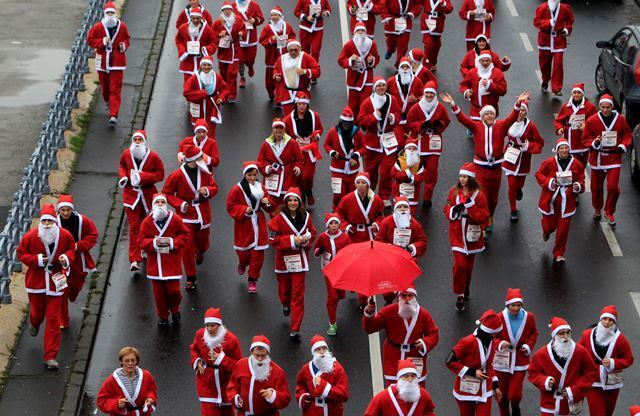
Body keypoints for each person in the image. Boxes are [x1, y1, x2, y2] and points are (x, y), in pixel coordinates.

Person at [441, 92, 528, 230]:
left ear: (494, 115)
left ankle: (490, 215)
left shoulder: (501, 126)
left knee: (494, 196)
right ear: (482, 117)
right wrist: (452, 104)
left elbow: (512, 118)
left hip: (496, 166)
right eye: (486, 114)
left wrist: (518, 103)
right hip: (481, 167)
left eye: (491, 114)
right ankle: (484, 222)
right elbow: (462, 119)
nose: (489, 116)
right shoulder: (476, 127)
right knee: (483, 194)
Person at [17, 204, 75, 370]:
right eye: (45, 221)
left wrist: (66, 258)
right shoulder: (31, 237)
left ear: (55, 221)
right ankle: (34, 323)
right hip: (37, 282)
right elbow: (21, 253)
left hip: (56, 282)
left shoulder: (64, 235)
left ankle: (50, 356)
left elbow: (72, 249)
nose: (48, 224)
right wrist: (36, 260)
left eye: (50, 221)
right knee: (37, 312)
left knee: (53, 320)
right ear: (41, 222)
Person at [163, 145, 218, 290]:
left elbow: (214, 187)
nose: (202, 159)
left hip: (203, 212)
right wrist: (180, 204)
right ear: (192, 160)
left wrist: (207, 190)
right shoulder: (176, 175)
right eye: (200, 157)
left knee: (203, 243)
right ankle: (191, 277)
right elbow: (166, 193)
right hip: (185, 216)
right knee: (186, 248)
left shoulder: (205, 172)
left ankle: (200, 252)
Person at [363, 286, 440, 387]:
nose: (407, 299)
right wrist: (369, 312)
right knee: (393, 393)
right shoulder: (388, 311)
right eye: (404, 296)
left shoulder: (423, 315)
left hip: (414, 357)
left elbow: (433, 334)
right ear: (398, 297)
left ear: (415, 297)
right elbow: (370, 328)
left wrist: (424, 343)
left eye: (410, 296)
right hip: (393, 357)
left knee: (417, 391)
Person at [268, 187, 317, 340]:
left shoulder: (307, 217)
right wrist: (292, 240)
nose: (293, 203)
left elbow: (313, 232)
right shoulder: (277, 219)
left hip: (300, 261)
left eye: (295, 200)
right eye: (290, 200)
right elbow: (272, 240)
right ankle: (285, 304)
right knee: (284, 291)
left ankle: (295, 327)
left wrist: (306, 240)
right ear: (286, 202)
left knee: (298, 294)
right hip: (283, 261)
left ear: (299, 202)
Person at [528, 317, 599, 416]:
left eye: (568, 333)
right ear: (554, 335)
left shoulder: (580, 351)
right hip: (549, 402)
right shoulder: (542, 354)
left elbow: (591, 372)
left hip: (570, 403)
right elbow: (533, 373)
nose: (566, 337)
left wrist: (575, 389)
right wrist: (545, 381)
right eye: (561, 333)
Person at [442, 163, 489, 311]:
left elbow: (484, 217)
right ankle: (460, 294)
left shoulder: (479, 196)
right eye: (461, 176)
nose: (462, 179)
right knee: (460, 265)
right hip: (456, 234)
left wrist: (471, 207)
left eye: (465, 177)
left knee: (468, 268)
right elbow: (447, 207)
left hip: (472, 236)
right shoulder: (454, 192)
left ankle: (466, 286)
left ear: (471, 178)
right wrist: (452, 210)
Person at [581, 94, 633, 226]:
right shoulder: (592, 120)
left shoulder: (620, 119)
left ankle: (609, 211)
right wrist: (594, 143)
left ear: (612, 106)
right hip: (598, 158)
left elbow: (627, 134)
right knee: (596, 188)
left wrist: (623, 145)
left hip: (614, 158)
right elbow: (585, 138)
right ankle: (597, 209)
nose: (605, 110)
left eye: (608, 107)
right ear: (600, 107)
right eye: (603, 107)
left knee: (613, 187)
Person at [138, 194, 189, 325]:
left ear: (166, 204)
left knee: (174, 291)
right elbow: (141, 241)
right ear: (153, 205)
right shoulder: (146, 222)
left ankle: (175, 309)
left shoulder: (175, 219)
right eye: (157, 202)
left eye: (162, 202)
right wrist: (154, 243)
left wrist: (172, 242)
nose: (160, 204)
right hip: (156, 266)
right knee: (159, 295)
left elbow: (184, 234)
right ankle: (163, 316)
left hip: (172, 263)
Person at [118, 130, 165, 272]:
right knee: (134, 227)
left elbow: (160, 175)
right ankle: (134, 259)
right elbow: (122, 167)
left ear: (144, 141)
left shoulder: (153, 157)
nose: (137, 142)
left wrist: (143, 177)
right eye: (135, 139)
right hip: (131, 197)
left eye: (140, 140)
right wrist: (123, 177)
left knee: (148, 225)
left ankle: (145, 248)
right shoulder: (126, 154)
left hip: (148, 195)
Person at [226, 161, 276, 293]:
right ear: (245, 175)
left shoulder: (261, 188)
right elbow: (230, 205)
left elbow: (269, 206)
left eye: (255, 175)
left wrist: (267, 202)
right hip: (244, 224)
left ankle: (252, 279)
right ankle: (242, 262)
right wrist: (243, 209)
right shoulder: (237, 189)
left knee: (258, 254)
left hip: (258, 222)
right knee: (243, 252)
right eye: (249, 175)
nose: (253, 178)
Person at [535, 138, 585, 264]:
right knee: (549, 225)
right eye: (561, 148)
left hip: (567, 202)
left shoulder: (576, 164)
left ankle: (559, 253)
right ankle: (546, 231)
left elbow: (581, 179)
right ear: (557, 151)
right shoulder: (549, 162)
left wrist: (578, 186)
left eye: (566, 148)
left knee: (563, 229)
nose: (564, 150)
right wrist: (550, 182)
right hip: (550, 200)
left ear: (569, 149)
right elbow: (538, 174)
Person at [578, 305, 634, 416]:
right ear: (600, 319)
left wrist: (613, 363)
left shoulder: (620, 339)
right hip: (593, 381)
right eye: (605, 319)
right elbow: (578, 354)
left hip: (613, 383)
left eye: (611, 320)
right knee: (597, 413)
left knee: (608, 413)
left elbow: (629, 359)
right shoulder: (587, 335)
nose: (607, 322)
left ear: (614, 322)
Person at [492, 288, 539, 416]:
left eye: (519, 305)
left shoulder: (528, 317)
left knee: (514, 395)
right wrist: (500, 344)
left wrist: (528, 346)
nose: (516, 308)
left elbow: (534, 333)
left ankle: (516, 407)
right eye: (513, 305)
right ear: (507, 305)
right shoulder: (499, 317)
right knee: (502, 396)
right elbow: (492, 336)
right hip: (501, 360)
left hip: (520, 360)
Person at [446, 310, 502, 415]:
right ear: (489, 332)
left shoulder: (492, 342)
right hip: (466, 388)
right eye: (496, 333)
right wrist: (472, 372)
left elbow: (489, 365)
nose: (497, 335)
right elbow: (449, 362)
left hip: (485, 388)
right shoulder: (467, 342)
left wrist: (495, 385)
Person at [357, 77, 403, 206]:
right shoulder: (367, 102)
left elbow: (398, 114)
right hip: (373, 142)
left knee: (387, 170)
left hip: (388, 140)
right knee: (371, 170)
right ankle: (368, 193)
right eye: (379, 86)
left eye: (383, 85)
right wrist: (374, 117)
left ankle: (384, 195)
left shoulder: (392, 100)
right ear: (375, 88)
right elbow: (361, 120)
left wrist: (393, 117)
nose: (382, 88)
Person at [56, 195, 98, 330]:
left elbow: (93, 235)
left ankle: (73, 293)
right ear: (59, 210)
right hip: (60, 262)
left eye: (68, 210)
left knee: (76, 285)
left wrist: (78, 246)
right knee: (61, 290)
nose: (65, 213)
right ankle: (63, 320)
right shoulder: (54, 222)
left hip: (78, 259)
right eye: (63, 210)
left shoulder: (82, 220)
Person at [190, 308, 243, 416]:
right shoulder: (200, 335)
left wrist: (222, 360)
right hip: (206, 382)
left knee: (226, 412)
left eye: (212, 325)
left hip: (225, 383)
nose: (209, 329)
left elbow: (238, 365)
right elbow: (194, 349)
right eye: (207, 325)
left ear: (219, 325)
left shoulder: (231, 340)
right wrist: (197, 361)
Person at [406, 82, 450, 208]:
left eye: (431, 93)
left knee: (431, 172)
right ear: (424, 94)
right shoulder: (416, 107)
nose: (429, 95)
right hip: (418, 143)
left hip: (433, 146)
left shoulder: (440, 108)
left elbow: (446, 121)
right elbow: (409, 122)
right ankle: (413, 194)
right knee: (415, 170)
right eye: (427, 93)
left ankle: (427, 197)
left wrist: (438, 124)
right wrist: (421, 125)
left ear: (434, 94)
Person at [88, 2, 130, 125]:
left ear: (115, 13)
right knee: (106, 89)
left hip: (117, 62)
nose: (110, 15)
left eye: (112, 13)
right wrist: (101, 42)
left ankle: (113, 114)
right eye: (108, 13)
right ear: (105, 14)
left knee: (115, 89)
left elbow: (127, 39)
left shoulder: (122, 27)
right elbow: (90, 40)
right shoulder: (97, 27)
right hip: (103, 62)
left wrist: (123, 46)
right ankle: (108, 102)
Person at [501, 101, 544, 223]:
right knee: (512, 185)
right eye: (519, 110)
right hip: (510, 156)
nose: (520, 113)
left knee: (519, 184)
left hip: (523, 158)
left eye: (523, 110)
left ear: (526, 112)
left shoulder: (531, 126)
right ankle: (513, 210)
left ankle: (519, 190)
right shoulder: (509, 122)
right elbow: (499, 132)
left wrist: (528, 146)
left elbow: (540, 142)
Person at [227, 335, 291, 414]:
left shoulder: (277, 372)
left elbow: (286, 399)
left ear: (268, 353)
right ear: (251, 352)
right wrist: (235, 398)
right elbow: (232, 386)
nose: (260, 359)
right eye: (257, 355)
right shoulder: (240, 365)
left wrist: (274, 395)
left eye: (263, 356)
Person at [284, 91, 324, 207]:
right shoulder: (289, 119)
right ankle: (302, 198)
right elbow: (285, 135)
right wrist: (293, 142)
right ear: (296, 104)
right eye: (299, 104)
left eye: (304, 104)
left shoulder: (314, 116)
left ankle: (308, 191)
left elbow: (320, 129)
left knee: (307, 176)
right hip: (297, 153)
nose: (302, 106)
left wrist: (317, 136)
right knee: (298, 176)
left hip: (310, 151)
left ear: (307, 105)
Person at [313, 213, 351, 335]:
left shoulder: (345, 237)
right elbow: (316, 250)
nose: (333, 226)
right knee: (332, 298)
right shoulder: (323, 237)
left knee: (339, 294)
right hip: (328, 269)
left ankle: (338, 295)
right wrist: (319, 251)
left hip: (341, 269)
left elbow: (349, 251)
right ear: (327, 225)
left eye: (336, 223)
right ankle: (332, 324)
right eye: (331, 223)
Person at [295, 335, 350, 414]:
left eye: (324, 348)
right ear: (313, 352)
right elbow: (300, 387)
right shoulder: (306, 369)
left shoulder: (337, 369)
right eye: (318, 349)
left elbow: (344, 395)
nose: (322, 352)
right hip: (312, 411)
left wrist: (323, 386)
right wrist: (303, 397)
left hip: (332, 410)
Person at [324, 107, 365, 210]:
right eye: (344, 122)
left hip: (352, 169)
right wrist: (332, 153)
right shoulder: (333, 131)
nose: (346, 125)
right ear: (341, 121)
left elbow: (363, 147)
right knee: (338, 193)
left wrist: (356, 155)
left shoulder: (357, 132)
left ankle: (349, 211)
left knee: (351, 193)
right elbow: (326, 145)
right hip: (337, 168)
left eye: (348, 123)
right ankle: (336, 210)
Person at [96, 347, 157, 415]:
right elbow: (101, 401)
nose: (130, 363)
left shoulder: (146, 375)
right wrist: (116, 404)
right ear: (121, 362)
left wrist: (150, 398)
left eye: (133, 360)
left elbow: (151, 390)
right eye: (127, 360)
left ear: (137, 361)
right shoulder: (112, 380)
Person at [337, 22, 380, 119]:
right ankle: (353, 120)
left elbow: (377, 58)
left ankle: (363, 120)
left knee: (365, 101)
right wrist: (350, 60)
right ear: (354, 32)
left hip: (367, 76)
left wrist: (372, 60)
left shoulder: (371, 44)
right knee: (353, 103)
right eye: (358, 30)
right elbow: (340, 60)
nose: (360, 33)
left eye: (362, 30)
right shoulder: (349, 45)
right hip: (353, 78)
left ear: (365, 32)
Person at [257, 118, 304, 205]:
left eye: (281, 128)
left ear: (284, 129)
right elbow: (260, 161)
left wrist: (298, 167)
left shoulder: (292, 143)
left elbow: (299, 159)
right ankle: (275, 218)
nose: (278, 130)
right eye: (276, 128)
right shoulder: (266, 144)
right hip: (272, 175)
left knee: (287, 200)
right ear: (273, 129)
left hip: (288, 175)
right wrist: (266, 168)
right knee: (272, 202)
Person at [364, 360, 436, 415]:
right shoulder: (384, 397)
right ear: (399, 379)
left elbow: (429, 412)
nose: (410, 380)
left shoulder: (424, 395)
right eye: (406, 376)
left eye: (413, 376)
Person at [533, 0, 574, 95]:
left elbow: (570, 20)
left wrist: (567, 29)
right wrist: (548, 22)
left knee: (558, 64)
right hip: (545, 41)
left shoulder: (564, 8)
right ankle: (545, 80)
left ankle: (556, 88)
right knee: (544, 64)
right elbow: (536, 22)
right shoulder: (542, 8)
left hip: (558, 40)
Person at [553, 83, 597, 170]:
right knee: (572, 166)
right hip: (570, 139)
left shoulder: (589, 107)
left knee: (581, 165)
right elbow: (559, 121)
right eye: (574, 93)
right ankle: (572, 180)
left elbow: (595, 122)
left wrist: (586, 127)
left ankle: (580, 181)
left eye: (579, 93)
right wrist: (559, 128)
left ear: (582, 94)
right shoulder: (566, 107)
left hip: (583, 140)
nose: (576, 95)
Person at [183, 56, 230, 136]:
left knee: (210, 131)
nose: (206, 67)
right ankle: (200, 147)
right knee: (199, 130)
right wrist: (202, 94)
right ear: (201, 66)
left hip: (212, 106)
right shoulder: (195, 78)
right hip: (199, 106)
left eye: (208, 65)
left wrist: (221, 97)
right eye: (204, 65)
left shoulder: (216, 77)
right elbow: (186, 92)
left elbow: (225, 89)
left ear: (211, 66)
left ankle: (210, 146)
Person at [273, 40, 321, 114]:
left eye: (295, 50)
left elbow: (317, 70)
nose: (293, 52)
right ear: (287, 50)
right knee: (288, 117)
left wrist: (305, 72)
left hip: (302, 93)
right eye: (291, 50)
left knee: (302, 116)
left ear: (300, 49)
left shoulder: (305, 57)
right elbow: (276, 69)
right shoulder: (282, 58)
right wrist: (276, 76)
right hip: (286, 94)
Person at [258, 6, 296, 101]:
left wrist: (289, 42)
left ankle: (279, 98)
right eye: (272, 15)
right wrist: (271, 40)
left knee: (282, 78)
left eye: (275, 15)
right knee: (270, 80)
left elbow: (293, 36)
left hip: (285, 57)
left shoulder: (287, 26)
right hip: (272, 57)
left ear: (280, 16)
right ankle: (271, 93)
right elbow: (262, 40)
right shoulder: (267, 28)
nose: (273, 17)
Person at [335, 172, 385, 245]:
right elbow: (338, 215)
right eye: (358, 183)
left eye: (363, 183)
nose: (360, 185)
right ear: (355, 184)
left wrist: (376, 224)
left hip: (369, 233)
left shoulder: (376, 199)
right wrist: (346, 226)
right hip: (353, 233)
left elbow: (380, 216)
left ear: (368, 185)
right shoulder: (347, 199)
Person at [210, 2, 245, 103]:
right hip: (223, 51)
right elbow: (212, 35)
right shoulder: (218, 22)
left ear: (232, 10)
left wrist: (241, 33)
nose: (227, 11)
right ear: (222, 11)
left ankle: (232, 94)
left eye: (229, 9)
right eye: (225, 10)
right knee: (223, 73)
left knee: (232, 73)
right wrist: (219, 34)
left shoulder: (238, 20)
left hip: (235, 49)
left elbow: (244, 29)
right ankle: (225, 91)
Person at [375, 197, 427, 263]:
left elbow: (422, 241)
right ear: (395, 209)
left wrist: (411, 248)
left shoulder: (414, 224)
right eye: (399, 207)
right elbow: (378, 240)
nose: (402, 209)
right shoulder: (386, 222)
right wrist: (388, 247)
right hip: (390, 257)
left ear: (408, 209)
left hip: (407, 257)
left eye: (405, 207)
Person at [459, 50, 508, 121]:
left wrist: (489, 86)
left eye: (487, 60)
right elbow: (463, 84)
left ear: (491, 61)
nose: (485, 63)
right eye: (483, 61)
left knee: (489, 131)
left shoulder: (498, 73)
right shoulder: (472, 73)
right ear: (479, 61)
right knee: (477, 130)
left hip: (490, 112)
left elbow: (503, 90)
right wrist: (466, 92)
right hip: (476, 111)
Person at [175, 7, 217, 84]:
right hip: (188, 61)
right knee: (188, 85)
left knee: (201, 84)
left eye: (197, 18)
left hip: (201, 62)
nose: (195, 21)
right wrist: (182, 51)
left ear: (201, 18)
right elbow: (178, 40)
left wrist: (204, 50)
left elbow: (214, 42)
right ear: (190, 18)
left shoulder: (207, 29)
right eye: (193, 18)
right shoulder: (183, 28)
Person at [379, 0, 421, 67]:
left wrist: (412, 13)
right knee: (391, 42)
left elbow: (418, 5)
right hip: (392, 21)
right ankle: (390, 50)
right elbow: (382, 4)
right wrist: (385, 15)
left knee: (403, 46)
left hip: (406, 21)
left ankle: (399, 66)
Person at [386, 57, 424, 132]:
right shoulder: (391, 81)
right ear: (399, 69)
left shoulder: (417, 81)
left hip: (411, 116)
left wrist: (416, 100)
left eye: (407, 67)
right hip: (396, 116)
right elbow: (384, 96)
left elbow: (424, 97)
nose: (405, 69)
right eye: (402, 67)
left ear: (410, 68)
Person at [233, 0, 264, 88]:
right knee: (240, 60)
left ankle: (250, 66)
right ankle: (242, 77)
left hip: (251, 37)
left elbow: (261, 18)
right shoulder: (233, 5)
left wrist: (255, 20)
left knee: (250, 59)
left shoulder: (254, 5)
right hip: (239, 37)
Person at [390, 141, 426, 213]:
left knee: (411, 212)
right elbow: (394, 174)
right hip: (399, 190)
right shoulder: (399, 161)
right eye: (410, 148)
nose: (411, 150)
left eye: (414, 149)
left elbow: (421, 176)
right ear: (406, 150)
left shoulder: (419, 163)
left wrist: (412, 179)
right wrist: (406, 173)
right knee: (399, 209)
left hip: (413, 191)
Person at [419, 0, 453, 71]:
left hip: (438, 22)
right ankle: (425, 65)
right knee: (429, 43)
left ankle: (433, 63)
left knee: (437, 45)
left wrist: (443, 3)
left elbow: (449, 9)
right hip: (426, 20)